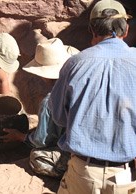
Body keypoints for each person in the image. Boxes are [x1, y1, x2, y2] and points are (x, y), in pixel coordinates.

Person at [49, 0, 136, 193]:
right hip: (124, 175)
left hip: (83, 172)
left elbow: (58, 117)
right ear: (126, 29)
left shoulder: (75, 63)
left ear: (92, 29)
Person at [1, 38, 79, 178]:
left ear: (45, 76)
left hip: (77, 154)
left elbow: (41, 141)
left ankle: (71, 175)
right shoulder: (81, 82)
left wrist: (20, 136)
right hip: (98, 145)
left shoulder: (50, 101)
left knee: (36, 157)